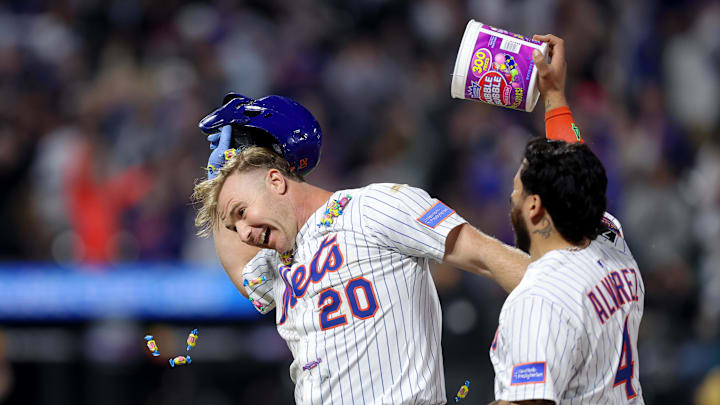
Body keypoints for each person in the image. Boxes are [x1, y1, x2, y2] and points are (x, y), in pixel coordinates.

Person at [191, 92, 534, 403]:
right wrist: (219, 178)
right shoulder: (280, 263)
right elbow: (241, 272)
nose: (244, 234)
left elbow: (487, 256)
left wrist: (565, 301)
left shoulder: (372, 207)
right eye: (234, 226)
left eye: (242, 213)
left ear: (276, 181)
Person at [487, 35, 645, 404]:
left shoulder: (538, 299)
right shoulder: (609, 236)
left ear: (534, 208)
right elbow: (576, 171)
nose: (512, 197)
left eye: (516, 192)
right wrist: (553, 93)